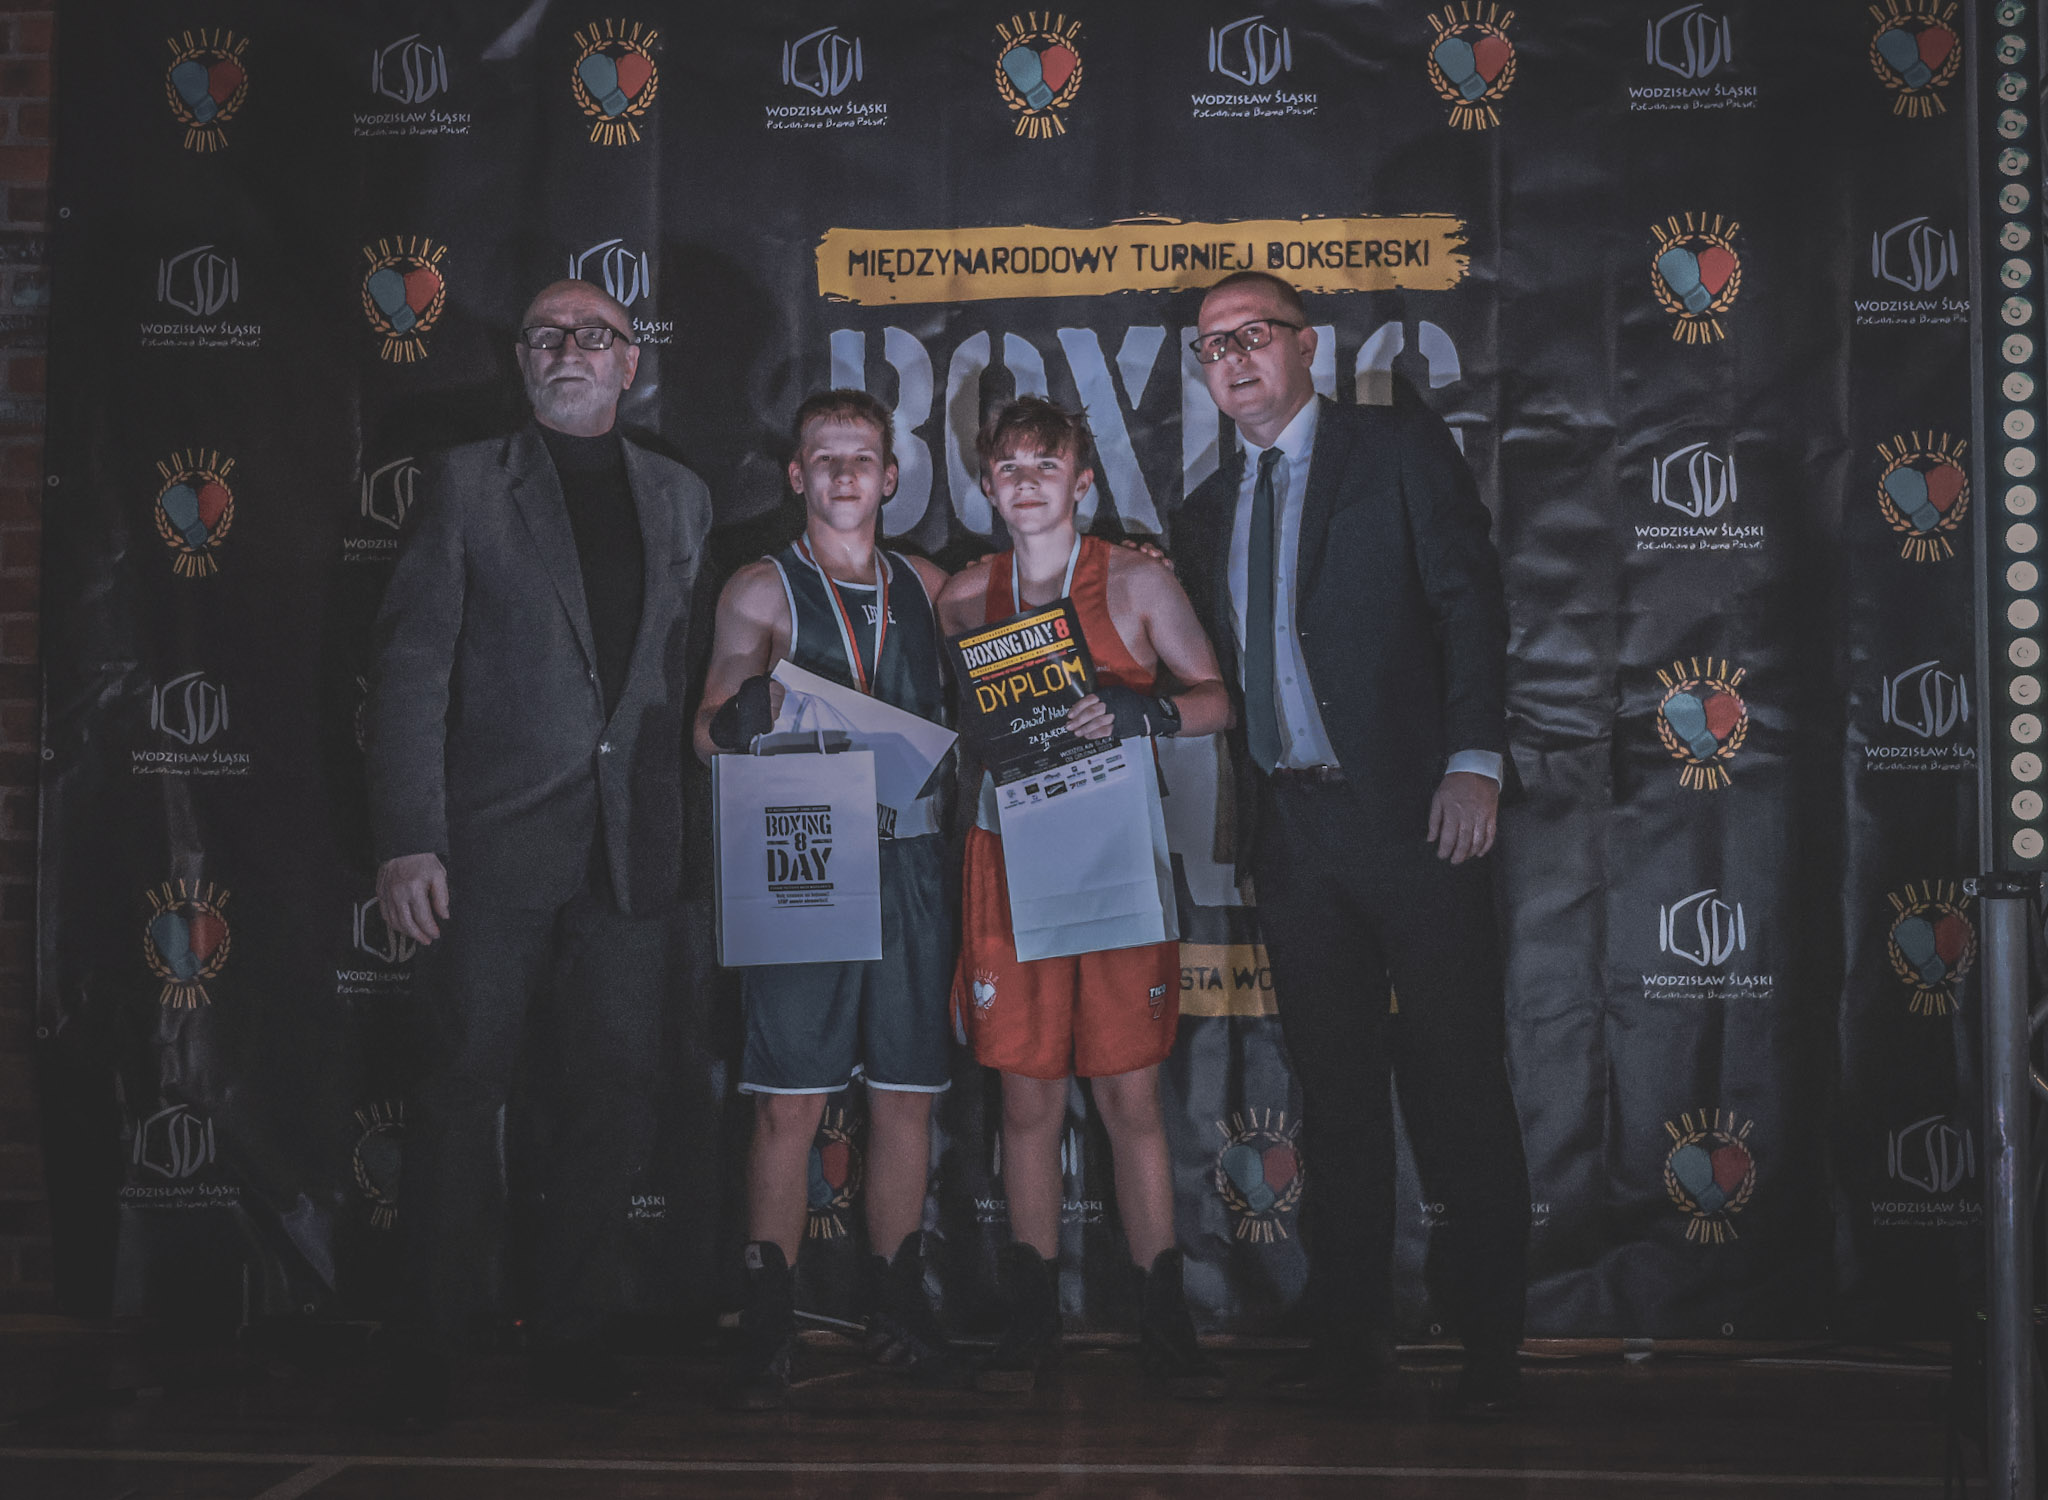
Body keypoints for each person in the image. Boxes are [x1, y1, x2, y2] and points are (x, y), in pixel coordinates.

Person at [1174, 270, 1528, 1416]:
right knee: (1331, 1096)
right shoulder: (1203, 510)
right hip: (1294, 832)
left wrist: (1472, 761)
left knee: (1456, 1080)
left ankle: (1489, 1346)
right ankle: (1346, 1338)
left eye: (1252, 334)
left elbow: (1469, 602)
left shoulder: (1393, 451)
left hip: (1418, 816)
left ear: (1306, 344)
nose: (1232, 358)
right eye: (1211, 345)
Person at [365, 278, 711, 1426]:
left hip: (632, 852)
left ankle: (575, 1339)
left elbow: (679, 677)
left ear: (630, 362)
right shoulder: (467, 483)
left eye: (594, 334)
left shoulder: (681, 496)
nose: (570, 348)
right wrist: (409, 839)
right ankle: (424, 1345)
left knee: (610, 1099)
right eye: (547, 334)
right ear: (522, 360)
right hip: (489, 847)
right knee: (462, 1093)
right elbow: (410, 670)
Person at [935, 396, 1233, 1399]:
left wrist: (1143, 713)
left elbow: (1216, 700)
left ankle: (1164, 1320)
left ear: (1083, 481)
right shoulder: (963, 596)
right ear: (986, 485)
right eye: (1008, 467)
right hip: (1005, 859)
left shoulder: (1137, 580)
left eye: (1045, 465)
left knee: (1127, 1098)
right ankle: (1032, 1319)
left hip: (1112, 856)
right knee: (1025, 1100)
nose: (1026, 482)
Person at [693, 390, 959, 1408]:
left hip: (913, 857)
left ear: (891, 476)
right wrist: (752, 707)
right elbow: (705, 732)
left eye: (863, 456)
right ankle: (768, 1321)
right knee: (790, 1101)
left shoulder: (929, 584)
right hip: (806, 848)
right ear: (797, 475)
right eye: (825, 456)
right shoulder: (762, 587)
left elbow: (1031, 605)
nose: (845, 472)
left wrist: (1136, 562)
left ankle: (897, 1306)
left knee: (904, 1094)